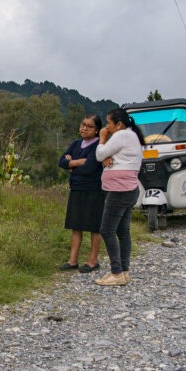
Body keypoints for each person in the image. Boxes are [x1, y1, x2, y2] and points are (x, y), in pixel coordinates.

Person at [92, 107, 144, 286]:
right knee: (122, 230)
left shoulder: (122, 135)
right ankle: (124, 270)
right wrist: (108, 157)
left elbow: (100, 154)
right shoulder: (131, 136)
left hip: (119, 190)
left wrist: (102, 139)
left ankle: (116, 272)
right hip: (128, 189)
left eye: (109, 123)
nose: (106, 127)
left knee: (107, 230)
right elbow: (110, 156)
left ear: (119, 124)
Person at [57, 115, 104, 272]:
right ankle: (73, 260)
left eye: (89, 126)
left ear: (97, 130)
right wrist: (76, 163)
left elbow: (89, 168)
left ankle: (92, 261)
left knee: (94, 227)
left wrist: (71, 167)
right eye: (82, 124)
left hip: (94, 190)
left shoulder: (98, 146)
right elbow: (61, 161)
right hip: (76, 189)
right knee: (75, 225)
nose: (84, 128)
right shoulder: (76, 143)